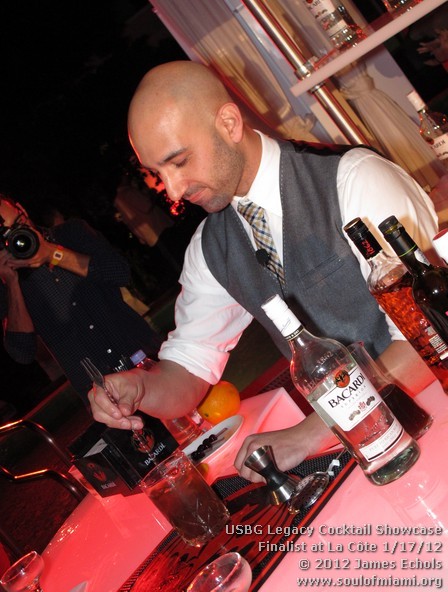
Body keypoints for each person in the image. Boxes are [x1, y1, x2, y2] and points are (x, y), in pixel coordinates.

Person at [88, 60, 440, 482]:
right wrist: (140, 387)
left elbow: (433, 333)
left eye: (179, 161)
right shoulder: (209, 247)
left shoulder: (352, 177)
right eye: (158, 174)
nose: (175, 190)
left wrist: (309, 433)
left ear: (229, 123)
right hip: (365, 450)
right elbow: (187, 370)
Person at [0, 195, 162, 404]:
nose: (17, 236)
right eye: (5, 235)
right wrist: (12, 283)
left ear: (22, 209)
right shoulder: (6, 280)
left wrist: (51, 253)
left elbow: (120, 273)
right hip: (101, 392)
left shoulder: (71, 233)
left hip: (143, 356)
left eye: (18, 224)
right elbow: (22, 352)